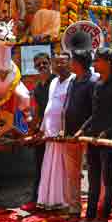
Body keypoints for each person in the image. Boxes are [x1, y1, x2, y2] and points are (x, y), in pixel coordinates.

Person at [66, 48, 112, 222]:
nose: (94, 64)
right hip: (93, 138)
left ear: (107, 62)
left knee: (108, 182)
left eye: (97, 61)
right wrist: (82, 130)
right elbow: (95, 115)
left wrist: (107, 132)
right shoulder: (99, 84)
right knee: (93, 180)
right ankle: (89, 218)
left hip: (109, 141)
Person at [36, 53, 74, 210]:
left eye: (62, 62)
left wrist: (64, 130)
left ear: (70, 63)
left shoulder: (73, 81)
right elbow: (49, 107)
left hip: (63, 134)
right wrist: (42, 129)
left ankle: (64, 201)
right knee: (50, 167)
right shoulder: (54, 82)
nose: (59, 65)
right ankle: (50, 200)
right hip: (50, 133)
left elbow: (70, 107)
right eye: (56, 62)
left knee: (62, 169)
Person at [62, 50, 94, 218]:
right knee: (72, 174)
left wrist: (82, 131)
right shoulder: (73, 81)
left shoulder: (93, 82)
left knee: (94, 173)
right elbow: (67, 105)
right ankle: (74, 208)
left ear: (79, 63)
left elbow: (96, 111)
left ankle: (96, 208)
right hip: (69, 135)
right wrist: (64, 128)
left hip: (88, 136)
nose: (69, 64)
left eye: (72, 61)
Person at [30, 52, 54, 204]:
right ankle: (38, 197)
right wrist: (33, 129)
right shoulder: (38, 87)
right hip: (42, 130)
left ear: (50, 63)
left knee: (55, 166)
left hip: (56, 130)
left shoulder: (57, 82)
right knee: (40, 164)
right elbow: (38, 111)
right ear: (35, 67)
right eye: (38, 64)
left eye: (44, 63)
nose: (42, 66)